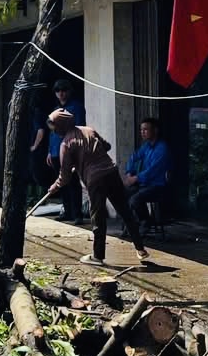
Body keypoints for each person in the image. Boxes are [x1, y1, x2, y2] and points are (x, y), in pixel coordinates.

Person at [47, 109, 151, 266]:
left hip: (95, 180)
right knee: (125, 211)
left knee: (98, 217)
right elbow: (106, 146)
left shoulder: (66, 144)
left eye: (54, 127)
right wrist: (87, 154)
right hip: (111, 172)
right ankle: (140, 249)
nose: (54, 130)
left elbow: (65, 177)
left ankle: (97, 256)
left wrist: (54, 187)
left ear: (61, 126)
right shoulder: (89, 130)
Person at [47, 79, 86, 222]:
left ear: (69, 91)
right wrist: (50, 151)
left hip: (70, 149)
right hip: (57, 150)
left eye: (64, 90)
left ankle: (77, 214)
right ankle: (67, 211)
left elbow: (80, 128)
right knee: (62, 183)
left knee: (73, 182)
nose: (61, 94)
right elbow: (51, 132)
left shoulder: (77, 107)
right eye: (58, 91)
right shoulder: (55, 109)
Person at [122, 117, 169, 234]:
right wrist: (129, 173)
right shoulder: (147, 146)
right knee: (121, 194)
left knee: (135, 200)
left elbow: (153, 170)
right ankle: (131, 222)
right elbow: (134, 157)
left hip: (157, 186)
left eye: (146, 129)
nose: (142, 132)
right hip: (144, 184)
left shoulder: (162, 148)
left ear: (155, 130)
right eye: (141, 130)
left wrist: (136, 178)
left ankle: (145, 221)